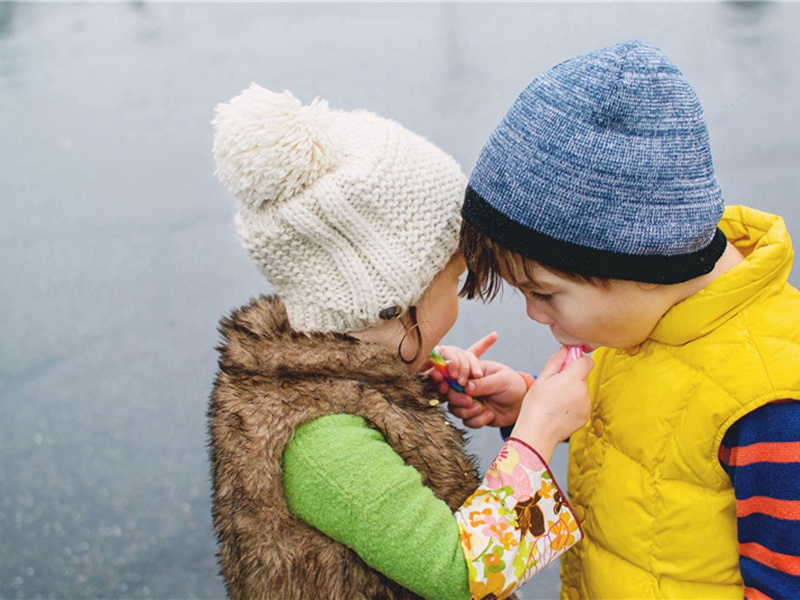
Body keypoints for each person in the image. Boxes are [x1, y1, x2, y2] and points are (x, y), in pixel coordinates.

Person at [433, 40, 800, 600]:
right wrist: (533, 405)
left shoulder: (772, 406)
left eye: (546, 293)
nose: (534, 313)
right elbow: (653, 453)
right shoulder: (643, 321)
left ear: (641, 263)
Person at [207, 84, 594, 600]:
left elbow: (358, 388)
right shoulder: (321, 444)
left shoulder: (321, 371)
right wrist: (537, 433)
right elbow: (462, 574)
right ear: (395, 302)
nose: (459, 300)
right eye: (451, 282)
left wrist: (419, 371)